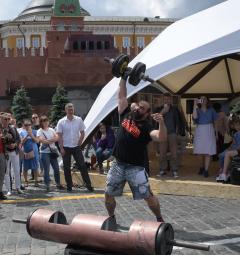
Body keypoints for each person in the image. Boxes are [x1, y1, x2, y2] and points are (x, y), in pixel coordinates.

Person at [105, 79, 167, 223]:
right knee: (108, 194)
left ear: (147, 113)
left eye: (142, 108)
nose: (138, 109)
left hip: (136, 168)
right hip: (118, 164)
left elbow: (161, 137)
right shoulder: (126, 114)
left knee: (148, 196)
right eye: (138, 106)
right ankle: (111, 217)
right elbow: (121, 96)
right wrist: (123, 77)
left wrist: (162, 123)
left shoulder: (147, 126)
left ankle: (159, 218)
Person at [56, 103, 93, 192]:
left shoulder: (79, 120)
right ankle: (69, 186)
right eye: (69, 109)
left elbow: (83, 132)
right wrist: (61, 148)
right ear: (66, 110)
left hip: (76, 147)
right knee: (66, 167)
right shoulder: (61, 121)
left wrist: (80, 143)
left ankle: (88, 185)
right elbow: (59, 136)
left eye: (72, 109)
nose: (71, 110)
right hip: (66, 147)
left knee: (82, 166)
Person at [155, 95, 185, 178]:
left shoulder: (175, 109)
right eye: (165, 99)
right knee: (162, 153)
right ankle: (162, 170)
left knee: (174, 153)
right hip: (162, 133)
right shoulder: (158, 109)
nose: (166, 100)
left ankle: (174, 170)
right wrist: (163, 112)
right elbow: (155, 120)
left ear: (170, 100)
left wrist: (178, 132)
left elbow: (180, 120)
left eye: (168, 99)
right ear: (163, 99)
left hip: (172, 133)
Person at [192, 96, 217, 177]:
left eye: (205, 99)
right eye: (201, 99)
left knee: (208, 151)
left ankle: (206, 170)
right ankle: (201, 167)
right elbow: (195, 118)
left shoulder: (211, 110)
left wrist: (216, 133)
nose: (203, 100)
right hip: (200, 130)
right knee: (199, 152)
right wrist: (194, 105)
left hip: (209, 130)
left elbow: (215, 121)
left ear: (207, 100)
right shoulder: (197, 110)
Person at [37, 115, 62, 191]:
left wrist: (49, 140)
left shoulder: (51, 130)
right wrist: (52, 140)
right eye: (43, 121)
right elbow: (42, 140)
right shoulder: (39, 131)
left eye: (46, 120)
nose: (45, 122)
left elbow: (57, 138)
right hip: (44, 153)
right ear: (41, 122)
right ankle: (47, 185)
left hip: (53, 151)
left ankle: (58, 183)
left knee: (56, 168)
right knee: (46, 169)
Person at [2, 113, 23, 195]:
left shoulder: (13, 128)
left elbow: (18, 139)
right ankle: (8, 190)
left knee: (17, 170)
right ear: (2, 120)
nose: (7, 121)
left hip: (15, 151)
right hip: (6, 152)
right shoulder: (0, 129)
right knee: (6, 172)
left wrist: (15, 144)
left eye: (8, 119)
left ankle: (18, 187)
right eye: (5, 119)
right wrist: (7, 145)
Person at [20, 119, 40, 187]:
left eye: (29, 125)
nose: (27, 126)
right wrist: (27, 135)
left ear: (31, 125)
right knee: (25, 167)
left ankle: (36, 181)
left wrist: (31, 135)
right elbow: (21, 142)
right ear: (24, 126)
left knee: (35, 167)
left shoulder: (35, 131)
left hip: (34, 151)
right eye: (26, 125)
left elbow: (37, 141)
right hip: (26, 152)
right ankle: (26, 181)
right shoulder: (22, 132)